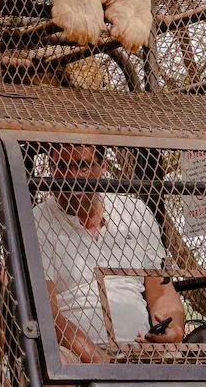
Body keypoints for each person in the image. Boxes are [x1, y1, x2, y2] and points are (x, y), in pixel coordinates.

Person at [31, 143, 182, 363]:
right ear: (50, 168)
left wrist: (173, 330)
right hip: (77, 354)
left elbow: (161, 293)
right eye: (62, 166)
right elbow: (47, 312)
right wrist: (99, 359)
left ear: (102, 167)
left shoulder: (135, 212)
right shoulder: (37, 220)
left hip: (139, 348)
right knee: (57, 363)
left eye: (82, 166)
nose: (72, 177)